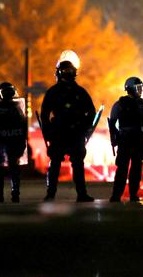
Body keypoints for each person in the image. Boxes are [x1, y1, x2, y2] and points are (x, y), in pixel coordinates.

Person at [40, 60, 96, 202]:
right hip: (59, 132)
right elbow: (44, 114)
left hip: (75, 133)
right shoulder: (55, 92)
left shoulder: (79, 92)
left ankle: (81, 193)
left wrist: (85, 128)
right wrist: (48, 132)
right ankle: (51, 194)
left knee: (77, 164)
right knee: (56, 164)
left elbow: (91, 112)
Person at [108, 77, 143, 202]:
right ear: (131, 89)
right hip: (130, 140)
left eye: (141, 88)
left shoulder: (122, 105)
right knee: (127, 168)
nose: (140, 90)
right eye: (138, 88)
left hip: (132, 140)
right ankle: (122, 195)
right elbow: (112, 124)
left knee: (132, 168)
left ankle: (125, 195)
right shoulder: (139, 105)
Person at [0, 82, 28, 203]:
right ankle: (15, 193)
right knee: (14, 169)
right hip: (14, 143)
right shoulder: (18, 108)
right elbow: (24, 127)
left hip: (0, 143)